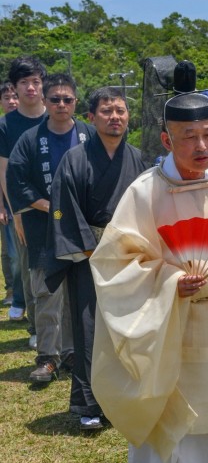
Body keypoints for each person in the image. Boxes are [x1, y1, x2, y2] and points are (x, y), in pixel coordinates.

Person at [90, 92, 208, 463]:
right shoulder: (145, 193)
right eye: (188, 137)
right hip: (169, 324)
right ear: (166, 138)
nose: (202, 147)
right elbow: (116, 262)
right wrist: (170, 282)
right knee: (177, 403)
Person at [47, 87, 146, 430]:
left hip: (130, 255)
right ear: (91, 117)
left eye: (120, 110)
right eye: (106, 111)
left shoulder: (138, 159)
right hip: (88, 254)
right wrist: (94, 250)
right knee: (90, 329)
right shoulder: (74, 159)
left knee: (127, 327)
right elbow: (64, 207)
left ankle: (125, 398)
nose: (115, 116)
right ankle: (89, 403)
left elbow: (147, 208)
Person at [7, 73, 91, 383]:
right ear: (44, 102)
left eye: (67, 99)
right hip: (42, 226)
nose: (60, 104)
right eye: (54, 99)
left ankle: (70, 351)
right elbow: (16, 181)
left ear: (75, 103)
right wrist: (48, 205)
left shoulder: (88, 136)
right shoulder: (30, 139)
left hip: (79, 228)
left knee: (75, 289)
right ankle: (47, 356)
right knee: (46, 291)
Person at [0, 56, 47, 331]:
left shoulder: (56, 114)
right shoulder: (7, 125)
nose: (31, 88)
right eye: (24, 82)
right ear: (14, 88)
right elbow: (5, 171)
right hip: (25, 208)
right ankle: (35, 326)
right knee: (29, 266)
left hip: (56, 204)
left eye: (35, 82)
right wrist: (15, 210)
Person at [0, 81, 18, 305]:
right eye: (7, 97)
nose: (12, 101)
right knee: (11, 252)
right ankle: (12, 290)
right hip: (6, 200)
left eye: (15, 96)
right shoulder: (3, 127)